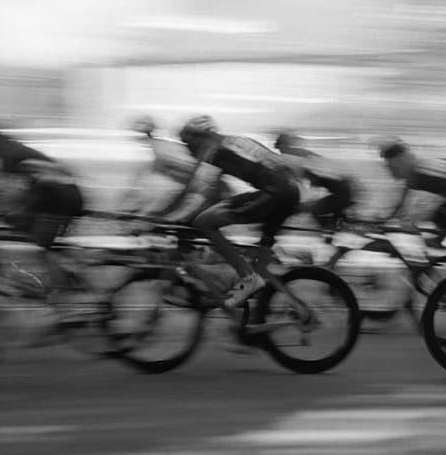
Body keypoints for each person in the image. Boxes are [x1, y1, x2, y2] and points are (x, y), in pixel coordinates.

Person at [157, 115, 301, 311]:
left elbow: (197, 191)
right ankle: (284, 310)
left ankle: (248, 278)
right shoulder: (232, 140)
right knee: (261, 261)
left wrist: (170, 217)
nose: (188, 149)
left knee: (204, 222)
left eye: (188, 143)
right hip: (291, 192)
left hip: (274, 193)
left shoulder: (211, 149)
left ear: (199, 137)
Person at [376, 137, 446, 249]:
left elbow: (402, 202)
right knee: (440, 216)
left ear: (399, 160)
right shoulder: (417, 167)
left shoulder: (414, 173)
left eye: (390, 164)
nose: (389, 168)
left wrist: (389, 219)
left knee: (440, 218)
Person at [0, 126, 84, 249]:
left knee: (34, 246)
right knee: (26, 237)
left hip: (56, 198)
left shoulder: (4, 151)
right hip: (65, 196)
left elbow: (7, 187)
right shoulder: (9, 146)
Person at [124, 114, 229, 215]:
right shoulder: (162, 147)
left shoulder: (161, 149)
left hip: (204, 194)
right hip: (199, 191)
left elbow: (179, 182)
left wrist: (144, 209)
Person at [275, 131, 360, 231]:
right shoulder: (302, 154)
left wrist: (305, 203)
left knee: (315, 209)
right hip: (349, 187)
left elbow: (312, 182)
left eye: (280, 147)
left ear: (284, 145)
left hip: (345, 191)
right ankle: (339, 224)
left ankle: (329, 230)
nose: (280, 151)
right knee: (323, 207)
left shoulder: (295, 159)